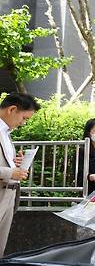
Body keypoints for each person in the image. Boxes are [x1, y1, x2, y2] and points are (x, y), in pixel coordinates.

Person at [0, 93, 40, 256]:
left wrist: (13, 162)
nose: (23, 123)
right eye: (24, 118)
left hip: (8, 195)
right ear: (12, 109)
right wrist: (11, 172)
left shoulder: (6, 132)